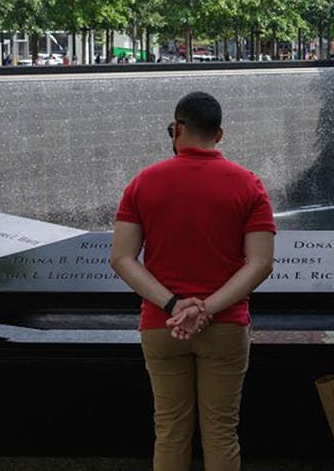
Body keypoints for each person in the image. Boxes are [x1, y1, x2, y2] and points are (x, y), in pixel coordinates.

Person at [110, 91, 276, 471]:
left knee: (169, 430)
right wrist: (206, 308)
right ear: (219, 135)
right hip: (225, 325)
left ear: (177, 128)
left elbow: (121, 258)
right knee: (221, 432)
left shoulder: (142, 183)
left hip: (161, 324)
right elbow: (261, 263)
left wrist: (174, 305)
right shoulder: (248, 184)